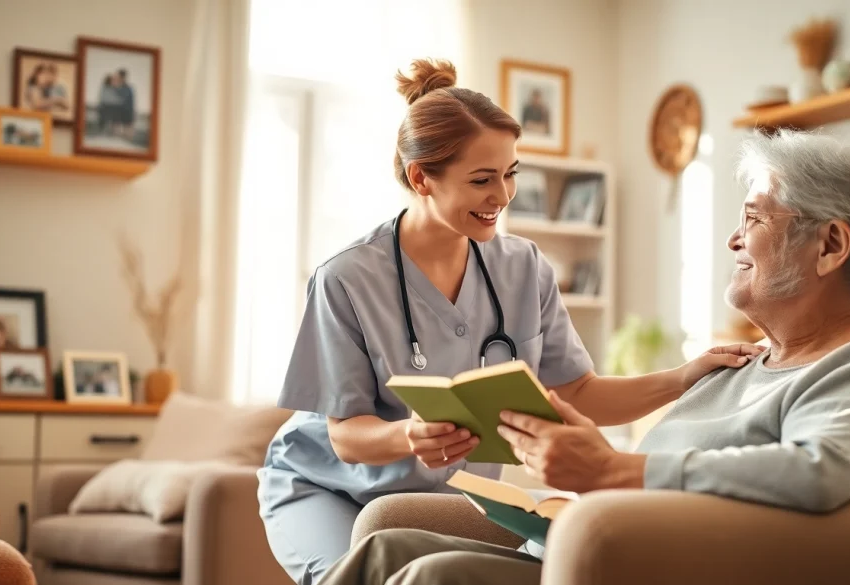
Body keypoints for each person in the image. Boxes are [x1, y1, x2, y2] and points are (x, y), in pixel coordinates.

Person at [317, 129, 850, 585]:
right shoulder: (739, 364)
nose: (733, 238)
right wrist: (569, 465)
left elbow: (820, 471)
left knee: (434, 577)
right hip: (596, 553)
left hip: (671, 569)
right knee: (386, 548)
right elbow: (653, 476)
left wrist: (613, 472)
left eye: (753, 218)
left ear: (831, 245)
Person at [256, 58, 762, 585]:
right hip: (325, 487)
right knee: (353, 576)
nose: (502, 196)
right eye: (481, 180)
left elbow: (579, 393)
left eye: (510, 174)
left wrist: (684, 377)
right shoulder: (347, 278)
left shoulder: (523, 268)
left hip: (442, 496)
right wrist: (411, 434)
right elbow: (345, 436)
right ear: (420, 177)